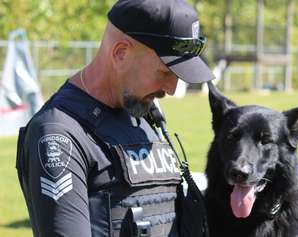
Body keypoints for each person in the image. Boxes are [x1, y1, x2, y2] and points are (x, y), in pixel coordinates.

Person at [16, 0, 215, 237]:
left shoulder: (143, 114)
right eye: (164, 72)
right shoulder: (59, 134)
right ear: (120, 53)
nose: (171, 89)